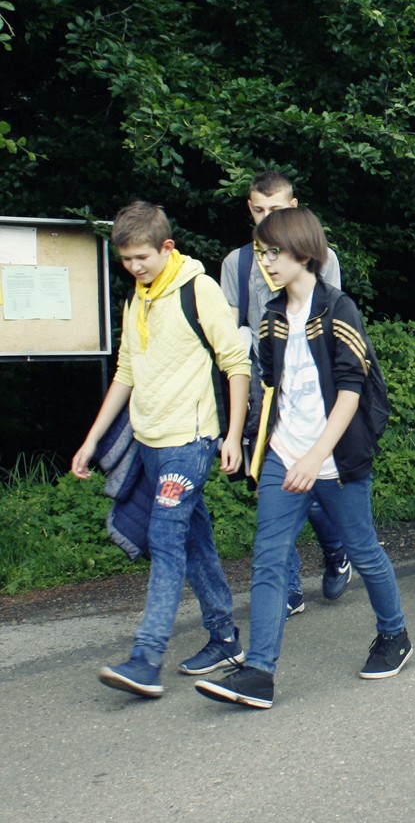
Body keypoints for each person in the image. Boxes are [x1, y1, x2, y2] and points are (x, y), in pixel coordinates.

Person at [196, 208, 411, 708]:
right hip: (284, 453)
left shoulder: (339, 309)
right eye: (261, 253)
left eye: (275, 252)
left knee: (363, 550)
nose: (266, 262)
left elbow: (351, 390)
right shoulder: (271, 315)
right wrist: (255, 442)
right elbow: (275, 385)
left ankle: (394, 634)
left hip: (336, 458)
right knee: (269, 558)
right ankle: (259, 673)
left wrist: (317, 457)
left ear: (304, 253)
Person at [72, 201, 250, 698]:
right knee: (194, 541)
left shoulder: (198, 289)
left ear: (166, 247)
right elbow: (126, 372)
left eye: (142, 258)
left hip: (189, 443)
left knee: (166, 539)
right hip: (148, 442)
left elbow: (235, 363)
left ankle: (146, 659)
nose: (134, 267)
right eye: (126, 259)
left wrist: (232, 435)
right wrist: (91, 440)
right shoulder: (138, 296)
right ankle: (225, 638)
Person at [220, 170, 350, 615]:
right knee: (269, 486)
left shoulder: (322, 257)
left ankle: (336, 549)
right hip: (263, 387)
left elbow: (333, 323)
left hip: (309, 389)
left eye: (275, 209)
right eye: (258, 210)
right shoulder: (237, 263)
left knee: (308, 483)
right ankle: (288, 586)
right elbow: (231, 328)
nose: (266, 218)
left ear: (293, 208)